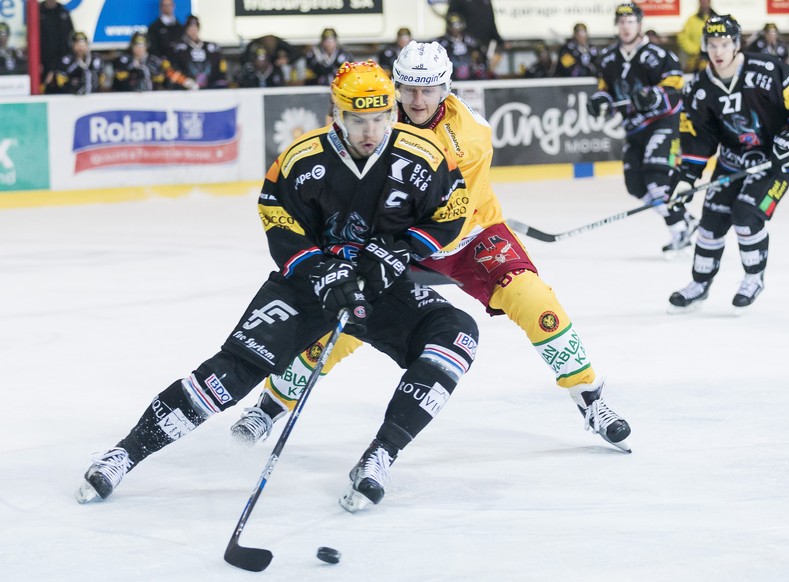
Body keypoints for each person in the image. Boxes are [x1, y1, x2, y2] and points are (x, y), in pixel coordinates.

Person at [75, 60, 478, 513]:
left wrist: (394, 253)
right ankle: (123, 454)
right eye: (358, 120)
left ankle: (379, 456)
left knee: (456, 333)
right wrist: (320, 271)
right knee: (229, 375)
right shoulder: (302, 159)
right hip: (308, 287)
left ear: (391, 113)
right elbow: (277, 217)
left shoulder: (424, 155)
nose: (370, 131)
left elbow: (451, 213)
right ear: (336, 113)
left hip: (377, 285)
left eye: (380, 118)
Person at [231, 41, 632, 457]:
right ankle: (272, 404)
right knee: (344, 322)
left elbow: (449, 213)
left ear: (447, 87)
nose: (417, 100)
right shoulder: (374, 121)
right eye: (408, 89)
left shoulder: (470, 137)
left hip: (465, 236)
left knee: (534, 298)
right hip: (393, 244)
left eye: (428, 90)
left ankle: (589, 396)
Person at [667, 15, 789, 312]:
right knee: (710, 224)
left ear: (736, 44)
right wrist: (686, 177)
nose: (718, 52)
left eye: (724, 44)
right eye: (712, 45)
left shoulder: (768, 69)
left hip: (775, 162)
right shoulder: (699, 88)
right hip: (733, 161)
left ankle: (753, 278)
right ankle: (700, 283)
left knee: (746, 215)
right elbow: (698, 138)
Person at [586, 3, 696, 256]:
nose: (626, 27)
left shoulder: (659, 54)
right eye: (622, 22)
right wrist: (600, 102)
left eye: (630, 21)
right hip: (633, 129)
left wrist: (655, 95)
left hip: (662, 123)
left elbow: (676, 86)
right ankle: (686, 220)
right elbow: (606, 92)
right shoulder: (609, 58)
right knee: (636, 185)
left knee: (657, 178)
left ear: (640, 23)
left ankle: (680, 229)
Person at [165, 15, 227, 90]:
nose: (193, 31)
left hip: (210, 88)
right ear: (186, 30)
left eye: (195, 27)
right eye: (190, 28)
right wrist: (184, 81)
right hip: (186, 89)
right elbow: (169, 70)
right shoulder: (177, 48)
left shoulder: (211, 48)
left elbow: (221, 70)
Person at [447, 0, 504, 75]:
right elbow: (452, 19)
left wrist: (499, 41)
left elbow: (491, 21)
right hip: (466, 45)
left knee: (482, 72)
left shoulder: (486, 1)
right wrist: (460, 38)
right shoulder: (458, 1)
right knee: (463, 72)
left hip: (483, 45)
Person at [438, 12, 490, 81]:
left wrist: (477, 63)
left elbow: (481, 53)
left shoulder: (469, 40)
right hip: (450, 75)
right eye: (454, 26)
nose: (456, 29)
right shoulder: (441, 42)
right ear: (448, 26)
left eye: (458, 25)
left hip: (470, 74)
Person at [39, 0, 74, 86]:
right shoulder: (38, 10)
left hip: (61, 58)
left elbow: (70, 36)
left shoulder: (63, 11)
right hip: (43, 58)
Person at [676, 0, 715, 73]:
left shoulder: (716, 19)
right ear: (699, 3)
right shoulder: (692, 20)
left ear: (709, 2)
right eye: (702, 2)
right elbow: (682, 37)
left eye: (706, 1)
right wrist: (695, 50)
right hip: (695, 61)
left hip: (714, 59)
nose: (704, 4)